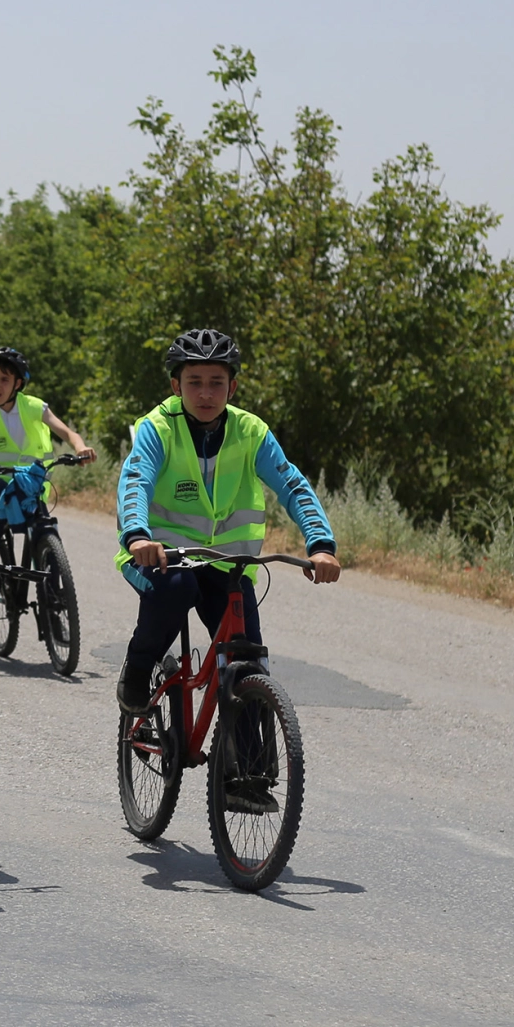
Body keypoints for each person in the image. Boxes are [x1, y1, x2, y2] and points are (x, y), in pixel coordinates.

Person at [113, 329, 341, 803]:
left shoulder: (251, 432)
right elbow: (135, 481)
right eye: (194, 381)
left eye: (217, 382)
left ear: (232, 387)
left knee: (248, 659)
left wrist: (320, 544)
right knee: (175, 590)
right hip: (161, 559)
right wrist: (138, 536)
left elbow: (293, 486)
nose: (206, 393)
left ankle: (248, 777)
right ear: (176, 385)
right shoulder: (157, 428)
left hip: (227, 566)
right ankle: (137, 673)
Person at [0, 346, 98, 555]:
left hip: (28, 481)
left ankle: (50, 565)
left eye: (4, 380)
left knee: (45, 524)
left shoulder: (34, 406)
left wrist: (81, 447)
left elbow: (68, 433)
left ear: (18, 383)